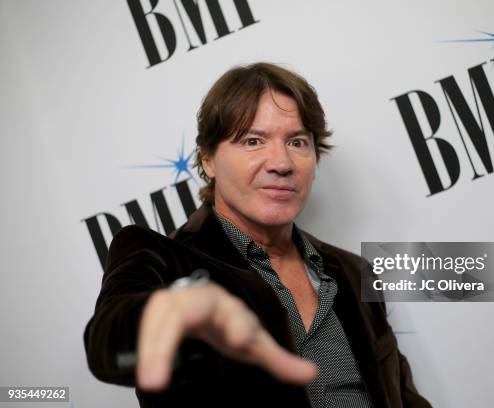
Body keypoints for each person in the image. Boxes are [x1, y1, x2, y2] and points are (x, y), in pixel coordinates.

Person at [84, 62, 431, 408]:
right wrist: (168, 312)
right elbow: (108, 348)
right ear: (207, 161)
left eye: (297, 142)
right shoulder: (162, 259)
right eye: (253, 141)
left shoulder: (355, 273)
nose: (281, 162)